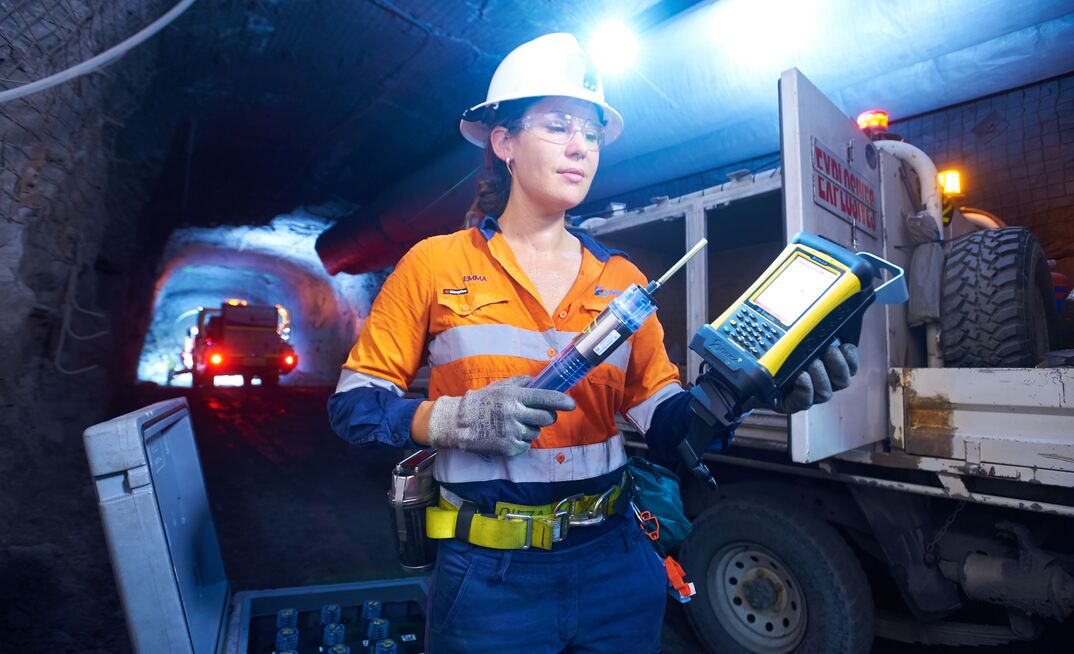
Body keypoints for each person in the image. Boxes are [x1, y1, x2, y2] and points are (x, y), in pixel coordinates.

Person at [328, 32, 859, 654]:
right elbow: (353, 408)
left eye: (592, 133)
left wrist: (751, 390)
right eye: (558, 126)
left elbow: (671, 428)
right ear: (503, 142)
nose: (581, 146)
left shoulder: (623, 280)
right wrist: (451, 420)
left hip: (615, 566)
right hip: (489, 581)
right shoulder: (434, 264)